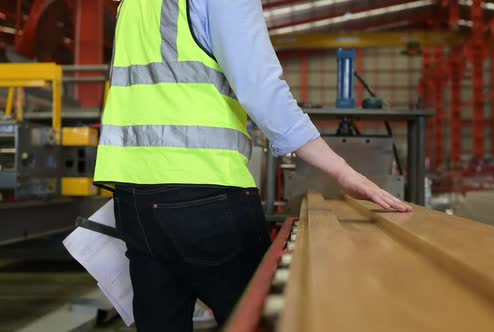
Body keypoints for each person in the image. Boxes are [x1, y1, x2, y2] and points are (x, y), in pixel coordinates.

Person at [94, 0, 412, 331]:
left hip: (132, 197)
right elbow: (261, 90)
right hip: (204, 191)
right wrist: (343, 172)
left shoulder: (132, 4)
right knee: (263, 321)